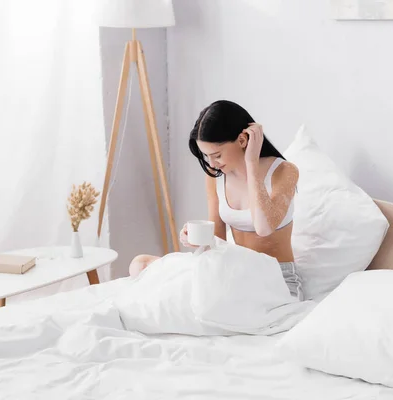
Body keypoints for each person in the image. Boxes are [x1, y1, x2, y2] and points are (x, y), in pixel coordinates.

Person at [128, 100, 303, 300]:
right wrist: (196, 240)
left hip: (276, 278)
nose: (212, 163)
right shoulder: (216, 176)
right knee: (139, 265)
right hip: (234, 271)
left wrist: (251, 163)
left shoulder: (284, 171)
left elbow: (264, 228)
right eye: (206, 156)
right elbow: (218, 241)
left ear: (243, 140)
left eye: (217, 155)